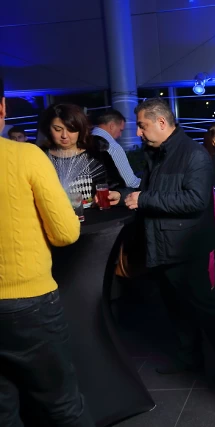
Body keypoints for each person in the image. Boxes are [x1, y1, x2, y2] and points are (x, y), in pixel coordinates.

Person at [113, 98, 215, 379]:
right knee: (176, 307)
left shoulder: (194, 155)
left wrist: (144, 199)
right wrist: (123, 196)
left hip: (186, 249)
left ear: (161, 122)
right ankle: (190, 359)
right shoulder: (157, 153)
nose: (138, 132)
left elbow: (195, 201)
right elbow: (150, 191)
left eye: (142, 126)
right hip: (162, 246)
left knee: (205, 308)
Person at [0, 78, 94, 426]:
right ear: (2, 108)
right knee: (62, 404)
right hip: (26, 301)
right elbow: (66, 233)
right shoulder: (26, 155)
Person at [40, 104, 122, 204]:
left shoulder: (97, 155)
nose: (64, 135)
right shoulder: (40, 158)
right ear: (48, 129)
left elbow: (117, 186)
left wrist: (116, 193)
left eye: (71, 130)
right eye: (58, 129)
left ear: (80, 129)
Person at [91, 109, 142, 188]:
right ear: (112, 126)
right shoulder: (113, 147)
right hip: (109, 193)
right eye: (120, 130)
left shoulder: (84, 142)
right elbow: (129, 182)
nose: (120, 135)